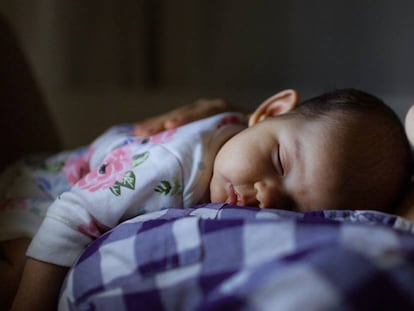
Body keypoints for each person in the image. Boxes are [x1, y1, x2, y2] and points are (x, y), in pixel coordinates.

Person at [3, 88, 412, 310]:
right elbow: (70, 217)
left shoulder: (248, 140)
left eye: (292, 208)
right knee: (22, 273)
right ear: (267, 112)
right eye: (279, 163)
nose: (266, 196)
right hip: (37, 193)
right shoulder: (169, 163)